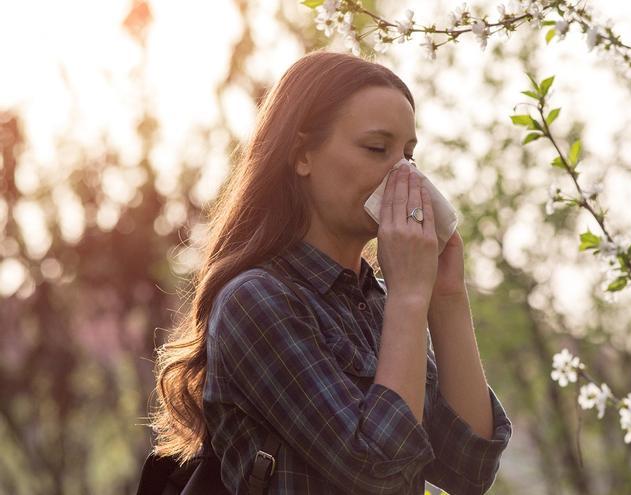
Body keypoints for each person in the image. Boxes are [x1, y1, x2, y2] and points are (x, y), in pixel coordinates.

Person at [148, 49, 512, 494]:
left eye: (409, 155)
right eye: (378, 149)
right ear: (302, 155)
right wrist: (410, 300)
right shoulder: (257, 300)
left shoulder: (382, 303)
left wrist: (446, 298)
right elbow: (374, 469)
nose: (404, 176)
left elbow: (469, 469)